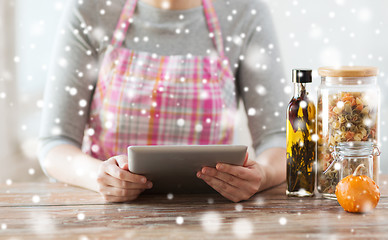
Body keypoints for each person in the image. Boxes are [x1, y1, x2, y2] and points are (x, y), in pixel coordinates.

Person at [38, 0, 287, 203]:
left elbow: (278, 139)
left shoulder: (245, 12)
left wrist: (263, 175)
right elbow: (55, 143)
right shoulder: (90, 9)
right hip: (110, 219)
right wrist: (98, 176)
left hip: (213, 214)